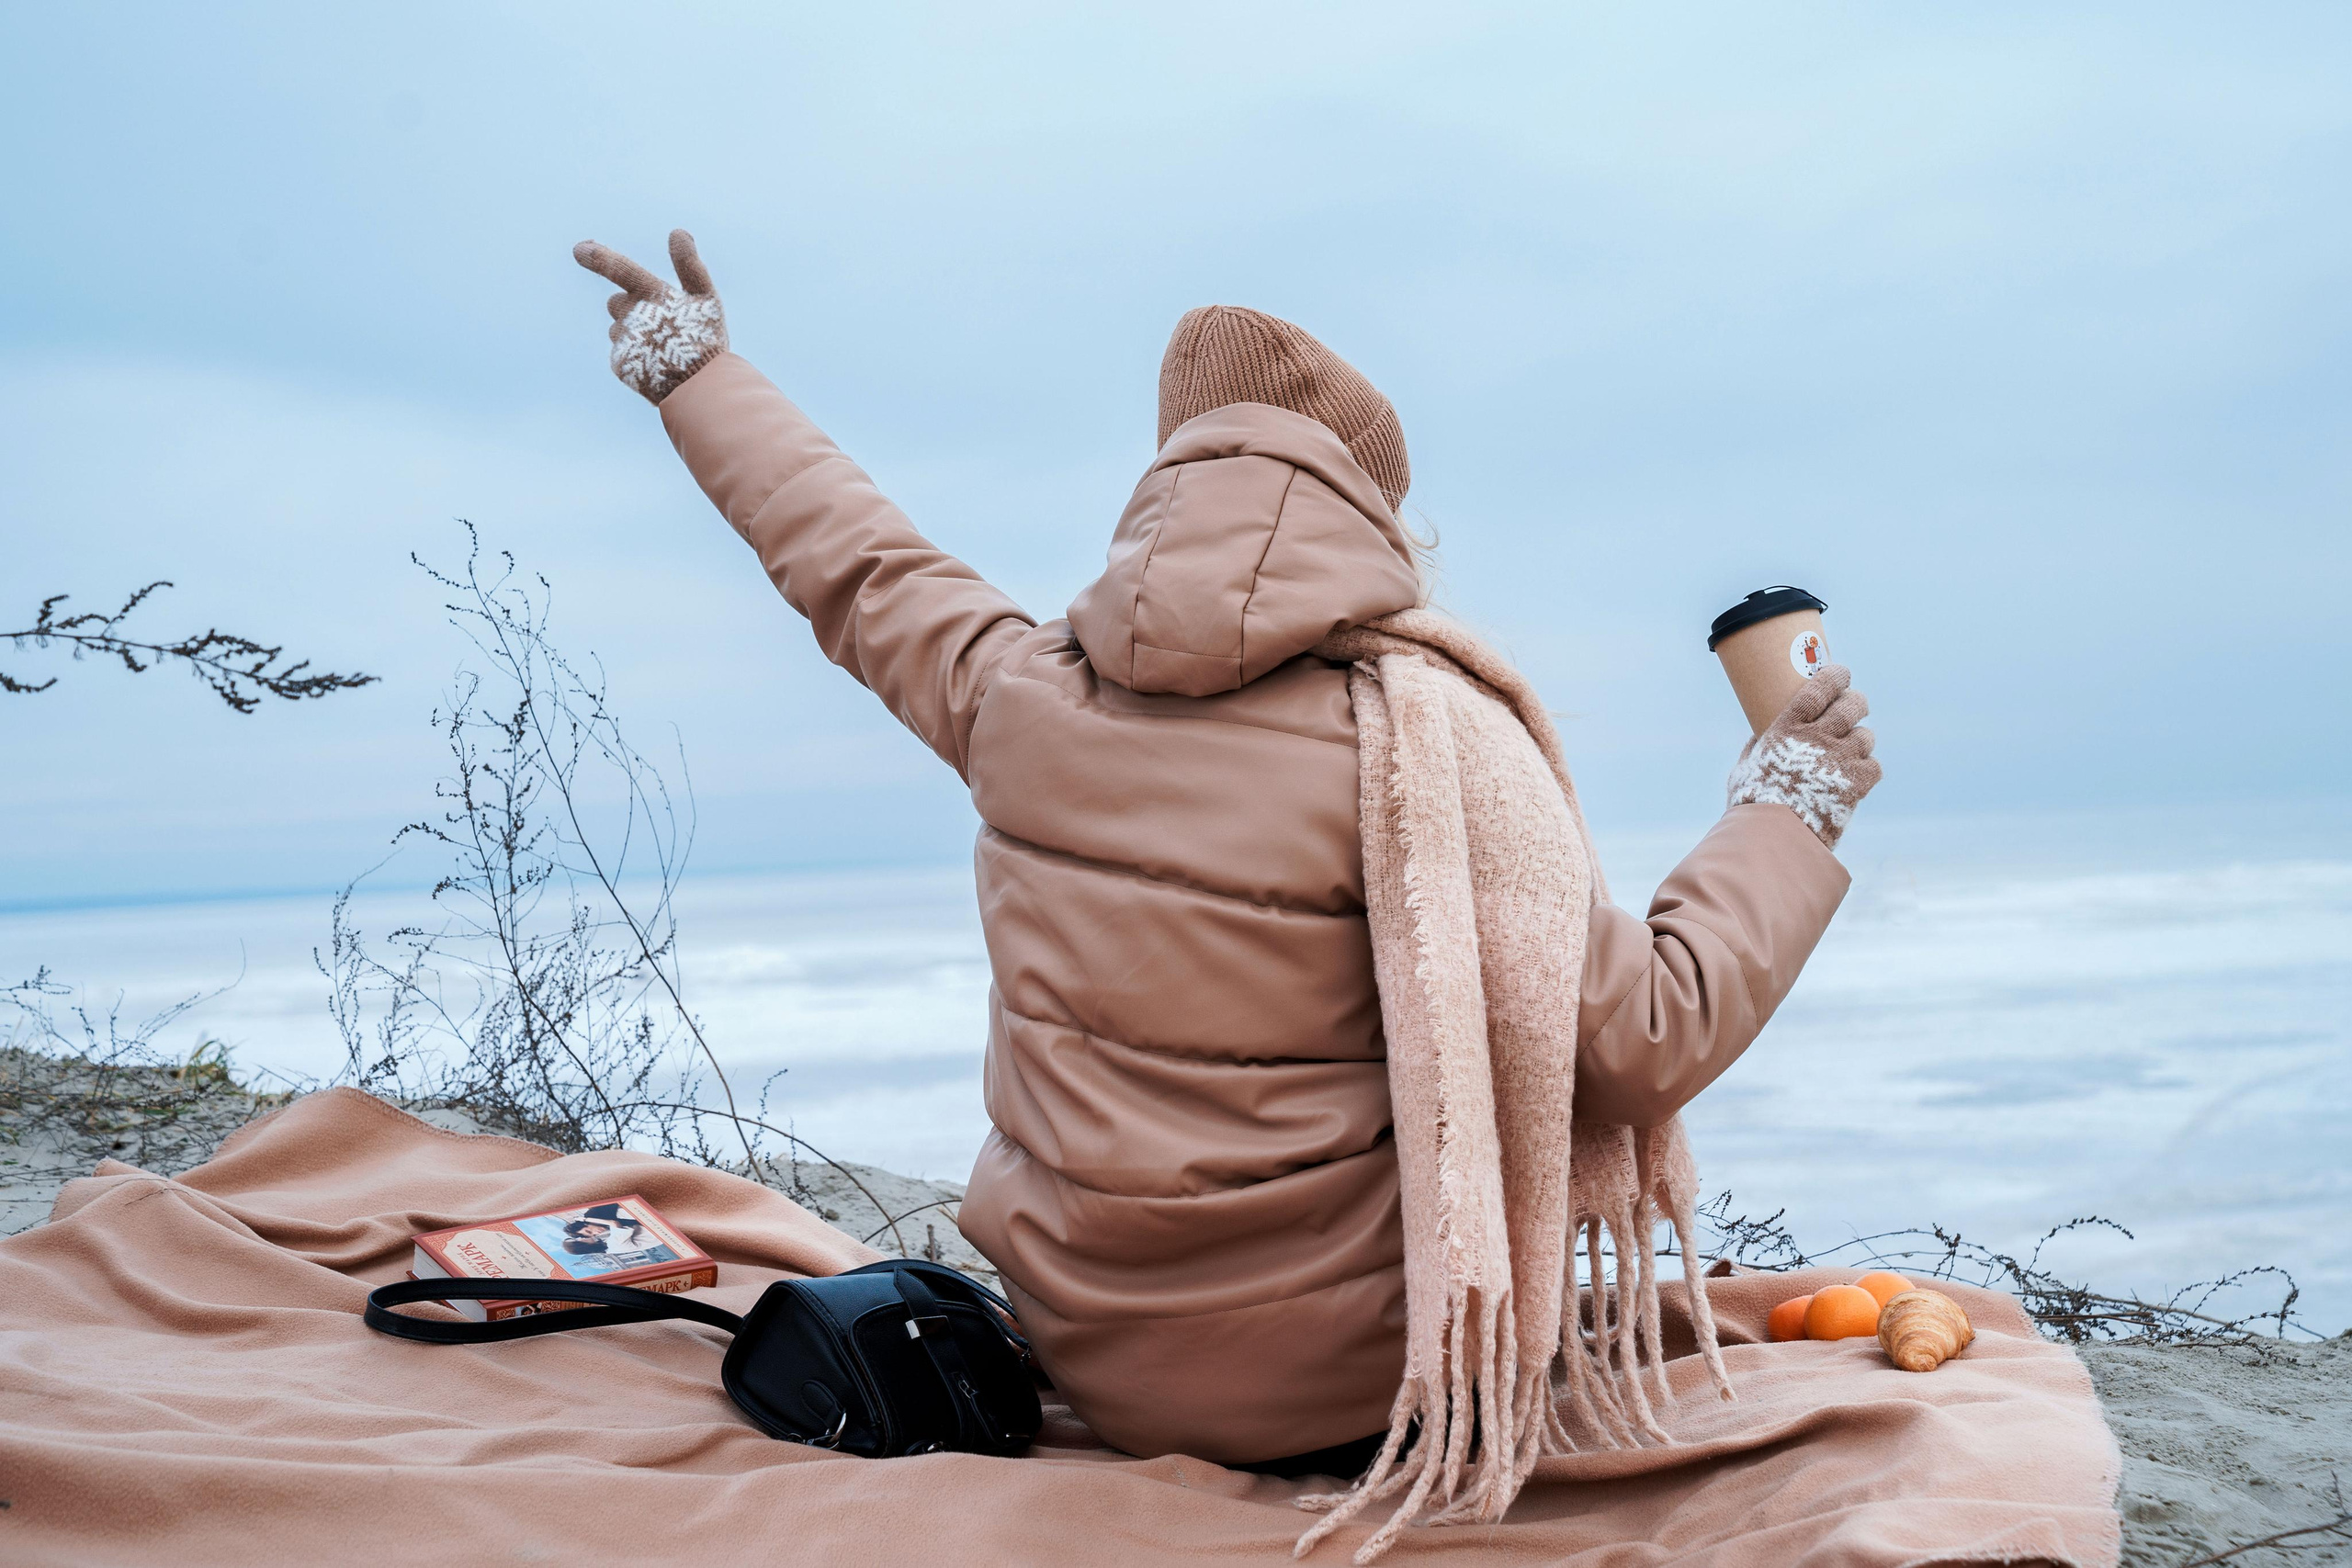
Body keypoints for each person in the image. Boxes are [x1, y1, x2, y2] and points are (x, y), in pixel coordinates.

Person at [572, 231, 1879, 1472]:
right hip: (1367, 1386)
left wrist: (697, 373)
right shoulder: (1427, 747)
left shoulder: (1016, 694)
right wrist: (1787, 808)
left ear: (1167, 493)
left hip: (1096, 1358)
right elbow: (1644, 1040)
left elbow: (852, 557)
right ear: (1373, 526)